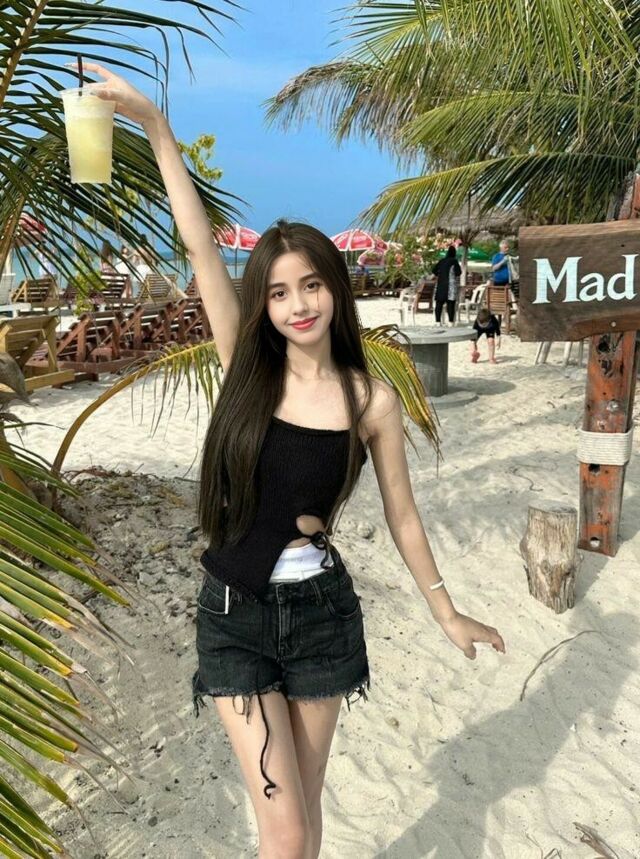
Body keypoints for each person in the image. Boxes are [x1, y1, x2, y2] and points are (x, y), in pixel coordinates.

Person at [78, 61, 505, 858]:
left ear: (334, 289)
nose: (297, 304)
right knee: (283, 828)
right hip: (234, 615)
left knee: (303, 817)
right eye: (278, 292)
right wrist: (157, 128)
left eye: (310, 285)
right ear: (263, 305)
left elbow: (404, 517)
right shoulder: (247, 367)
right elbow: (200, 247)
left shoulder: (370, 400)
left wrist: (445, 610)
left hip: (321, 617)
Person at [432, 244, 461, 325]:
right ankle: (450, 322)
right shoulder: (454, 261)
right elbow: (458, 273)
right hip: (451, 285)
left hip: (441, 284)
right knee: (450, 304)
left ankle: (438, 322)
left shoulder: (442, 261)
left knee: (439, 303)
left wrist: (441, 274)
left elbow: (434, 271)